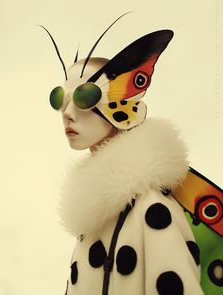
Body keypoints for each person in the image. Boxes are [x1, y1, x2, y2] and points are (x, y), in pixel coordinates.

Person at [47, 29, 204, 294]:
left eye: (85, 96)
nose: (67, 113)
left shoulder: (151, 210)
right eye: (59, 99)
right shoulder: (95, 215)